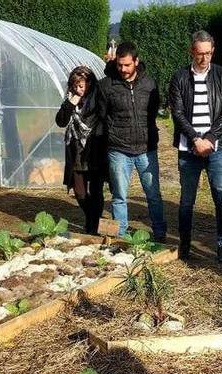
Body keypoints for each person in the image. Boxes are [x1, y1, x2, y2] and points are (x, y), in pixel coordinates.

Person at [168, 30, 222, 263]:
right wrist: (196, 139)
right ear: (192, 52)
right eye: (199, 54)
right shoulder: (179, 78)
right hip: (189, 149)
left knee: (221, 195)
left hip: (216, 148)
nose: (204, 58)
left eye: (208, 53)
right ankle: (185, 244)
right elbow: (177, 112)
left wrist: (210, 138)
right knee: (187, 200)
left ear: (212, 51)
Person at [96, 41, 167, 242]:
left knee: (153, 194)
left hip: (146, 148)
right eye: (120, 65)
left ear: (136, 61)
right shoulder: (106, 85)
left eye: (127, 65)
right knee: (119, 196)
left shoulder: (149, 84)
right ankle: (121, 235)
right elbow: (102, 115)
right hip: (118, 149)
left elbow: (152, 112)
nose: (123, 69)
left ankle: (160, 232)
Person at [56, 66, 106, 235]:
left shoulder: (98, 99)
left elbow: (105, 119)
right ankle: (92, 218)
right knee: (79, 191)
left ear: (90, 84)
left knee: (96, 191)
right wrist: (71, 103)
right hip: (76, 151)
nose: (78, 90)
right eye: (75, 86)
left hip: (95, 150)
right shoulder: (70, 100)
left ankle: (92, 224)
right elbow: (61, 122)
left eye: (81, 86)